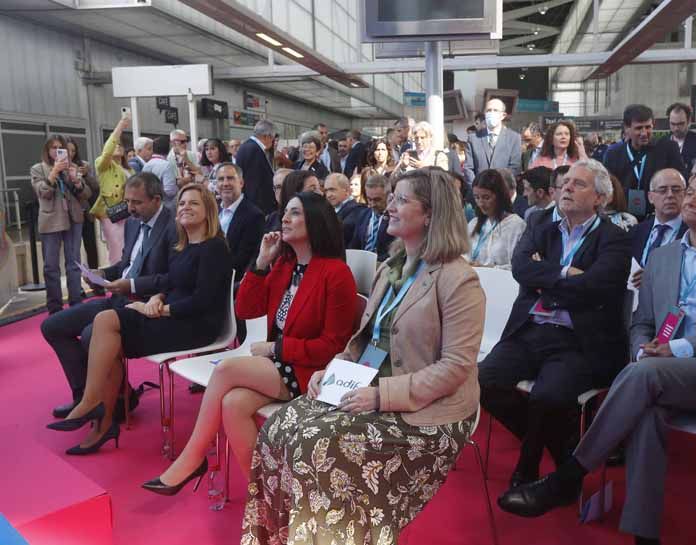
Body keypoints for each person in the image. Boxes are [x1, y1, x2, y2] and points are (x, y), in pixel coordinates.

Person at [507, 168, 696, 545]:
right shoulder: (663, 256)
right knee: (646, 408)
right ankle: (644, 534)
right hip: (663, 374)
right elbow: (642, 322)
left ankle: (569, 475)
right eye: (691, 193)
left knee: (644, 377)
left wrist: (678, 348)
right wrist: (642, 348)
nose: (689, 201)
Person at [240, 166, 484, 545]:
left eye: (402, 200)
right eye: (392, 196)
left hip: (424, 410)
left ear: (430, 214)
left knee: (313, 445)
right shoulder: (392, 268)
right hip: (365, 388)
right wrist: (332, 369)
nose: (390, 205)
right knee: (277, 430)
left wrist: (380, 395)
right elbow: (362, 340)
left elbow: (454, 368)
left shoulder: (458, 280)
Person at [144, 191, 358, 492]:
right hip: (279, 365)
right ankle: (264, 496)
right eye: (285, 212)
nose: (284, 218)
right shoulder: (285, 265)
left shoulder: (337, 274)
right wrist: (260, 264)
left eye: (295, 213)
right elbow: (246, 309)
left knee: (226, 370)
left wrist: (276, 348)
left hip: (312, 372)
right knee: (232, 404)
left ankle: (192, 459)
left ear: (317, 222)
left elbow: (333, 346)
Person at [479, 159, 631, 494]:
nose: (566, 188)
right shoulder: (540, 225)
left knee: (547, 395)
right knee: (483, 380)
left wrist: (544, 274)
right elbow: (520, 268)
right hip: (530, 330)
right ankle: (556, 445)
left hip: (579, 339)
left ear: (600, 199)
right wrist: (564, 273)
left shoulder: (615, 239)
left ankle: (528, 463)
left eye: (578, 184)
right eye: (565, 183)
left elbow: (596, 287)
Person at [46, 183, 232, 454]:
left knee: (108, 325)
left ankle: (94, 407)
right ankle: (100, 419)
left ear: (208, 211)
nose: (184, 208)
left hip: (196, 326)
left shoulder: (215, 247)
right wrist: (158, 298)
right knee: (106, 330)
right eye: (181, 203)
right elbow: (171, 282)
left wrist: (157, 309)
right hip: (171, 315)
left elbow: (204, 301)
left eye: (193, 203)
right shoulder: (183, 245)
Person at [41, 172, 174, 420]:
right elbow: (125, 264)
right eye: (128, 201)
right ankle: (87, 397)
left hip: (145, 305)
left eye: (137, 202)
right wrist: (101, 272)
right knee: (52, 326)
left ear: (157, 200)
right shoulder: (133, 223)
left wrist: (131, 285)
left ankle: (115, 398)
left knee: (92, 334)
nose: (129, 208)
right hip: (119, 298)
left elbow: (171, 278)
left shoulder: (173, 226)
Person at [31, 135, 92, 314]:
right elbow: (43, 193)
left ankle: (76, 304)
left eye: (60, 147)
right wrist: (54, 173)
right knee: (51, 266)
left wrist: (77, 181)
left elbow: (86, 194)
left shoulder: (72, 167)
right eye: (53, 147)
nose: (56, 151)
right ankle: (55, 308)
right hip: (51, 221)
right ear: (47, 150)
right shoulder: (38, 169)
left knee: (74, 264)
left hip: (73, 219)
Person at [603, 104, 685, 220]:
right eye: (638, 128)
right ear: (627, 128)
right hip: (624, 218)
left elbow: (680, 180)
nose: (644, 133)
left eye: (648, 127)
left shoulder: (667, 149)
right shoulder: (614, 153)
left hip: (657, 217)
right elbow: (608, 187)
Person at [630, 169, 688, 288]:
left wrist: (657, 277)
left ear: (686, 194)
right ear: (650, 197)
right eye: (662, 190)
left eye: (676, 190)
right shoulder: (636, 231)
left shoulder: (694, 233)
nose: (670, 195)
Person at [90, 114, 133, 265]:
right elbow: (107, 152)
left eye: (121, 144)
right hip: (112, 213)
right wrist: (121, 126)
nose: (118, 146)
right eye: (115, 144)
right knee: (116, 249)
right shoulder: (103, 165)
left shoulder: (130, 169)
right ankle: (115, 281)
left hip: (129, 212)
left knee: (129, 247)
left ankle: (126, 279)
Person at [466, 169, 526, 270]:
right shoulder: (473, 223)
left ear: (499, 196)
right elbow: (463, 254)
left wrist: (490, 268)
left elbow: (519, 266)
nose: (481, 203)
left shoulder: (516, 225)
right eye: (477, 197)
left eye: (486, 197)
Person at [216, 163, 265, 282]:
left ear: (241, 183)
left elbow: (243, 261)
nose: (225, 183)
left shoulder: (254, 216)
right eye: (221, 179)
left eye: (230, 178)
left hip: (229, 283)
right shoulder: (213, 211)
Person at [464, 99, 523, 183]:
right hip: (478, 191)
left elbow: (515, 168)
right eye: (488, 110)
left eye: (495, 110)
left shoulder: (514, 138)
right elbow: (468, 168)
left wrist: (499, 187)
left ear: (503, 115)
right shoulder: (473, 138)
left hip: (502, 191)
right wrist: (476, 188)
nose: (491, 113)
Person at [66, 137, 100, 271]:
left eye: (73, 150)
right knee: (73, 250)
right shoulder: (57, 168)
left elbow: (94, 188)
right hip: (68, 214)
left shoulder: (82, 165)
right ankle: (76, 282)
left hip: (86, 212)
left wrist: (86, 175)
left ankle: (95, 277)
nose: (71, 153)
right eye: (67, 150)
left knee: (91, 246)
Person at [236, 119, 277, 215]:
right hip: (257, 208)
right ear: (267, 136)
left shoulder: (247, 146)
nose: (273, 142)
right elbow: (254, 184)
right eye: (273, 139)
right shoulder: (254, 150)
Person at [349, 174, 395, 261]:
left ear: (389, 196)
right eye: (369, 199)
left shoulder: (395, 218)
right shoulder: (363, 215)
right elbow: (354, 245)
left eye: (377, 200)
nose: (372, 204)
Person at [663, 102, 696, 173]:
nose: (676, 128)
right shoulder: (662, 142)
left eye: (680, 124)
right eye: (673, 124)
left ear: (689, 122)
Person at [324, 172, 365, 247]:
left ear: (346, 190)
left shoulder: (357, 211)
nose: (328, 195)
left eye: (332, 190)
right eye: (326, 191)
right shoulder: (328, 211)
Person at [142, 136, 179, 205]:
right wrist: (178, 185)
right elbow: (170, 191)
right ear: (168, 148)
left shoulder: (146, 164)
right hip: (164, 205)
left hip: (149, 204)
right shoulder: (166, 165)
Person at [264, 168, 293, 233]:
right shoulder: (271, 218)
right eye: (278, 187)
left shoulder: (303, 216)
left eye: (285, 185)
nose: (282, 191)